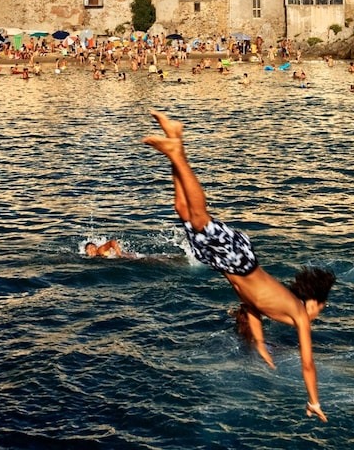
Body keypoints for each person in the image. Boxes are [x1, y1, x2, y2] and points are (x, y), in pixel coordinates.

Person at [143, 111, 336, 422]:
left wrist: (259, 343)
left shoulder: (277, 306)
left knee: (182, 210)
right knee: (199, 219)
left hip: (228, 264)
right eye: (319, 310)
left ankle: (176, 139)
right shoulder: (300, 315)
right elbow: (308, 363)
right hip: (241, 263)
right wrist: (314, 400)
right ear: (313, 302)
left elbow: (251, 310)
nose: (316, 316)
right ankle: (177, 153)